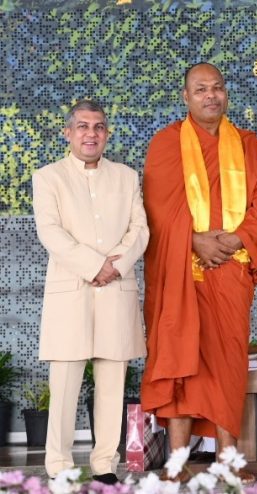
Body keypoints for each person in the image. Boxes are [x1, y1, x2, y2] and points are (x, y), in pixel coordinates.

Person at [140, 62, 257, 480]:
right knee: (180, 360)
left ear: (226, 93)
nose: (210, 96)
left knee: (227, 365)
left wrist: (239, 238)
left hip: (230, 273)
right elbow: (157, 209)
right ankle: (178, 462)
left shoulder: (248, 143)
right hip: (183, 271)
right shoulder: (166, 143)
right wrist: (196, 241)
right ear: (186, 97)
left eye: (217, 88)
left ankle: (228, 461)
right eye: (200, 89)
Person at [33, 99, 149, 484]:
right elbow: (50, 232)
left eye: (98, 127)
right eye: (82, 126)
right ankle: (60, 467)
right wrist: (94, 265)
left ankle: (104, 465)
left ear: (107, 133)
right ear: (68, 132)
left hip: (116, 289)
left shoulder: (126, 177)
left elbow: (140, 230)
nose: (90, 134)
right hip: (73, 292)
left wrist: (116, 264)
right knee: (64, 385)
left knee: (113, 384)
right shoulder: (48, 177)